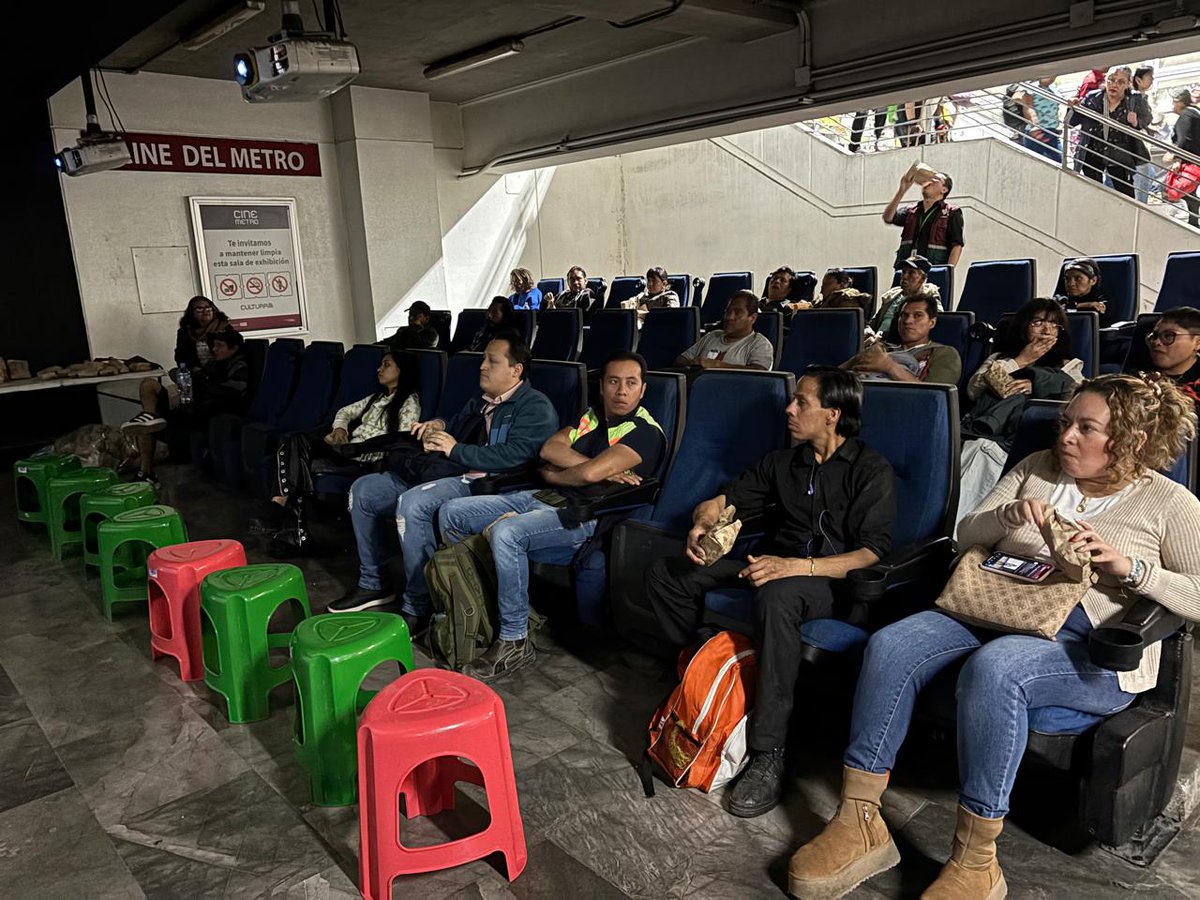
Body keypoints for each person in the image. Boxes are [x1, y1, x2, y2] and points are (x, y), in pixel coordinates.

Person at [785, 374, 1200, 900]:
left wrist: (1134, 569)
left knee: (998, 668)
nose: (1066, 437)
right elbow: (963, 535)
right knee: (891, 644)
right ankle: (859, 818)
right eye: (1065, 423)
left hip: (1088, 642)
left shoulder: (1170, 502)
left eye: (1086, 429)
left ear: (1133, 441)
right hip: (991, 606)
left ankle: (977, 861)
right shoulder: (1035, 469)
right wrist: (1003, 515)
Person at [644, 367, 895, 817]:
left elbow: (871, 553)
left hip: (829, 582)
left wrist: (796, 567)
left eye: (802, 402)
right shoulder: (784, 462)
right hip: (773, 565)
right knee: (666, 574)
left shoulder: (870, 469)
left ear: (833, 415)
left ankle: (768, 751)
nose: (789, 408)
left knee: (776, 596)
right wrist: (704, 522)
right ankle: (706, 673)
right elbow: (726, 499)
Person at [438, 351, 666, 680]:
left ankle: (514, 640)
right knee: (452, 513)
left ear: (642, 390)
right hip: (546, 498)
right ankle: (478, 611)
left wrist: (556, 473)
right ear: (602, 386)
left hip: (583, 517)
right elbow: (549, 450)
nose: (621, 391)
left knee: (507, 534)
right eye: (613, 381)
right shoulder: (592, 417)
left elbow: (587, 475)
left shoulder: (645, 431)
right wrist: (574, 470)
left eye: (631, 383)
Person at [327, 336, 558, 627]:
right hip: (449, 470)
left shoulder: (535, 406)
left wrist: (454, 449)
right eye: (483, 359)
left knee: (413, 504)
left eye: (492, 361)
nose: (482, 367)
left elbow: (515, 455)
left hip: (487, 483)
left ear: (516, 370)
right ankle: (374, 583)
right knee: (364, 490)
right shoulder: (483, 399)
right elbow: (457, 421)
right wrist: (437, 425)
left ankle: (419, 605)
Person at [250, 351, 421, 553]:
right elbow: (345, 411)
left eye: (386, 365)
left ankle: (285, 515)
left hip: (362, 458)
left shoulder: (409, 403)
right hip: (347, 450)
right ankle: (290, 522)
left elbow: (399, 440)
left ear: (401, 371)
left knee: (296, 453)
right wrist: (340, 429)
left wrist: (354, 448)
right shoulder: (377, 397)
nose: (379, 369)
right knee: (293, 443)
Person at [956, 299, 1084, 527]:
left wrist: (1038, 383)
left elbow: (1079, 397)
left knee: (983, 452)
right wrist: (1022, 360)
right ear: (1024, 326)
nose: (1046, 330)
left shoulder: (1068, 366)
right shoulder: (1000, 359)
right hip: (985, 433)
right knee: (980, 450)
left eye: (1054, 325)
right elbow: (974, 389)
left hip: (1030, 438)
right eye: (1038, 322)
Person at [122, 328, 250, 484]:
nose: (214, 349)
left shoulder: (239, 367)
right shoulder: (214, 364)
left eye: (219, 345)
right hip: (191, 405)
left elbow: (228, 393)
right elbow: (189, 376)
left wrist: (199, 386)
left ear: (234, 347)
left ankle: (146, 470)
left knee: (148, 426)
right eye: (213, 345)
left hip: (201, 414)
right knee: (148, 385)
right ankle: (149, 417)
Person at [1069, 67, 1150, 198]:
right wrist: (1072, 107)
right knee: (1093, 193)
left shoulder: (1134, 99)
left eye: (1120, 82)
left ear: (1128, 84)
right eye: (1111, 80)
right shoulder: (1093, 98)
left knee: (1125, 196)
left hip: (1120, 153)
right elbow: (1072, 122)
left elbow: (1147, 118)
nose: (1114, 85)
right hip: (1093, 151)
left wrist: (1136, 122)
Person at [845, 296, 962, 385]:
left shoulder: (945, 354)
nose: (908, 321)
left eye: (917, 315)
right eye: (904, 315)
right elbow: (837, 374)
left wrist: (889, 367)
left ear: (931, 322)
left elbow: (934, 397)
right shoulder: (881, 348)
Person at [672, 291, 774, 371]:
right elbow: (681, 359)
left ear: (752, 318)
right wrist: (693, 364)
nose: (729, 317)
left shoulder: (759, 344)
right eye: (727, 311)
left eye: (737, 313)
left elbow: (759, 373)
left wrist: (717, 365)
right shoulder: (712, 336)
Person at [883, 170, 964, 268]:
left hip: (933, 269)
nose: (929, 180)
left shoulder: (952, 212)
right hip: (906, 270)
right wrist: (902, 190)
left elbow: (957, 245)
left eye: (936, 179)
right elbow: (888, 218)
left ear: (944, 190)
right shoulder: (911, 210)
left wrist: (946, 272)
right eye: (929, 178)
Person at [869, 255, 942, 338]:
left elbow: (937, 321)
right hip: (876, 341)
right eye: (904, 272)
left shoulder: (928, 296)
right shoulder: (892, 296)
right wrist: (868, 331)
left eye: (911, 273)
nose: (904, 277)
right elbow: (874, 322)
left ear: (922, 279)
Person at [1142, 306, 1200, 405]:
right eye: (1154, 336)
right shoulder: (1139, 373)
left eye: (1168, 336)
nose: (1156, 342)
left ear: (1198, 343)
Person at [1166, 88, 1200, 228]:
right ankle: (1193, 219)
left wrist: (1176, 157)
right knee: (1190, 192)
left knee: (1183, 189)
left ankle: (1193, 219)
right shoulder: (1194, 114)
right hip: (1195, 160)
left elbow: (1184, 140)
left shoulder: (1186, 116)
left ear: (1178, 101)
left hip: (1191, 162)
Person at [1056, 257, 1113, 325]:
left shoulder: (1104, 299)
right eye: (1067, 278)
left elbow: (1099, 313)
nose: (1071, 284)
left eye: (1078, 278)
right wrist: (1085, 305)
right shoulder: (1060, 299)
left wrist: (1072, 307)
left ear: (1093, 280)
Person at [1130, 67, 1158, 203]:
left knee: (1149, 174)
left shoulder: (1140, 97)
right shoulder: (1136, 98)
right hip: (1137, 152)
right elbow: (1140, 120)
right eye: (1149, 77)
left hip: (1140, 151)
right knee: (1141, 189)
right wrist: (1143, 123)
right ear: (1138, 80)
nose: (1152, 80)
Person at [1020, 76, 1063, 162]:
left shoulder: (1053, 87)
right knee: (1033, 163)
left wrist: (1060, 123)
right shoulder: (1031, 87)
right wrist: (1034, 124)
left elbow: (1057, 107)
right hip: (1036, 132)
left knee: (1059, 162)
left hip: (1052, 131)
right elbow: (1028, 107)